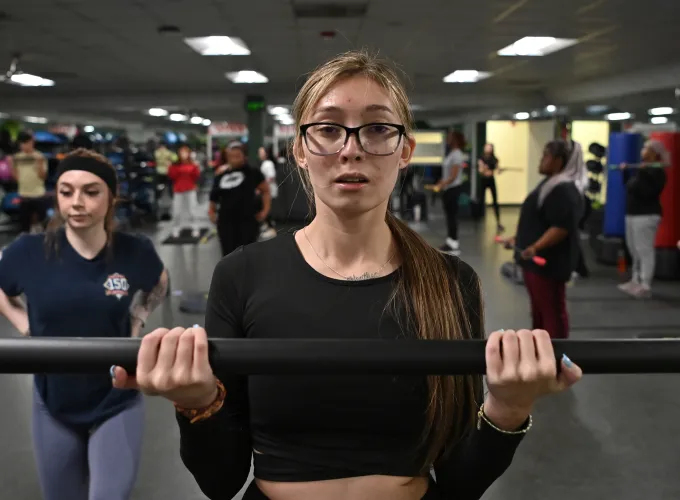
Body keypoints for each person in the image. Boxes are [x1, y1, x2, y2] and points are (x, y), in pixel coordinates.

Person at [112, 51, 582, 500]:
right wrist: (197, 402)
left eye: (377, 129)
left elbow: (458, 482)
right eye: (328, 129)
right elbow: (221, 481)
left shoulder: (449, 281)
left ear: (404, 151)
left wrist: (507, 409)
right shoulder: (242, 274)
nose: (351, 149)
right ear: (299, 148)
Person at [0, 148, 168, 500]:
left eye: (91, 192)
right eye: (66, 191)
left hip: (116, 399)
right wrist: (22, 321)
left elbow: (160, 282)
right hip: (54, 402)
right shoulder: (29, 251)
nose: (77, 202)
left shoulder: (134, 251)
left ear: (111, 198)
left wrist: (138, 318)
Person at [502, 139, 584, 340]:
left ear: (559, 161)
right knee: (539, 311)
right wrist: (517, 239)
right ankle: (539, 351)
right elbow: (541, 221)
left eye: (546, 156)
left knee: (552, 312)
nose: (541, 160)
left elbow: (561, 227)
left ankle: (556, 357)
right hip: (535, 263)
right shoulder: (550, 184)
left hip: (549, 264)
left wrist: (535, 247)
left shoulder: (564, 189)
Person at [618, 139, 668, 298]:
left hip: (646, 216)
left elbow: (645, 192)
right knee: (633, 249)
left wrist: (643, 172)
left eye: (646, 148)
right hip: (633, 214)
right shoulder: (643, 170)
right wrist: (625, 172)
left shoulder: (657, 172)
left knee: (644, 250)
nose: (643, 150)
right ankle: (635, 280)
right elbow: (629, 186)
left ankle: (645, 284)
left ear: (654, 153)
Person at [208, 141, 271, 256]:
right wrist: (211, 212)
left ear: (244, 156)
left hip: (247, 221)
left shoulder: (252, 172)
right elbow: (213, 196)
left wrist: (265, 211)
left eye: (238, 156)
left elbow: (266, 191)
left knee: (247, 255)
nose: (235, 159)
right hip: (226, 222)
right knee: (228, 255)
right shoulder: (221, 174)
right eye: (231, 156)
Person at [10, 131, 48, 233]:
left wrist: (40, 165)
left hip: (38, 195)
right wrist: (11, 165)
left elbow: (43, 177)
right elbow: (16, 177)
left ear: (31, 142)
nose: (22, 146)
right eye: (21, 144)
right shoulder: (17, 157)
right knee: (24, 226)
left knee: (42, 224)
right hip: (24, 195)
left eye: (25, 143)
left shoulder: (39, 156)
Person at [436, 131, 467, 254]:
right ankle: (450, 241)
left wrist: (442, 183)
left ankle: (453, 243)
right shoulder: (452, 154)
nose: (447, 139)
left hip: (453, 189)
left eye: (450, 137)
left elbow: (453, 176)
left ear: (455, 139)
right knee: (449, 216)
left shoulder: (457, 155)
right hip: (448, 188)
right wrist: (442, 182)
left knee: (452, 216)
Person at [168, 144, 201, 238]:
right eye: (182, 152)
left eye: (185, 152)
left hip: (190, 189)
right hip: (178, 189)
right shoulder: (175, 165)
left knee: (192, 210)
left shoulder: (193, 164)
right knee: (177, 211)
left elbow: (196, 176)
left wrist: (196, 167)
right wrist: (171, 167)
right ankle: (176, 228)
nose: (184, 154)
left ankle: (195, 228)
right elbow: (172, 176)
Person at [477, 143, 504, 234]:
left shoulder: (494, 159)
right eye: (486, 147)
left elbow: (497, 169)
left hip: (491, 180)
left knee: (495, 201)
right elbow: (480, 170)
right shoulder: (481, 159)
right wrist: (484, 169)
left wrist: (498, 170)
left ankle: (498, 222)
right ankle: (477, 219)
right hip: (483, 181)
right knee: (481, 200)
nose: (488, 148)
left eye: (489, 147)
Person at [258, 145, 278, 239]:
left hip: (269, 191)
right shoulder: (265, 163)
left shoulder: (268, 163)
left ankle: (272, 230)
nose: (259, 154)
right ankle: (267, 225)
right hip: (266, 191)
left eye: (261, 152)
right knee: (265, 208)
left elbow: (271, 176)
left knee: (268, 209)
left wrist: (263, 186)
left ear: (266, 153)